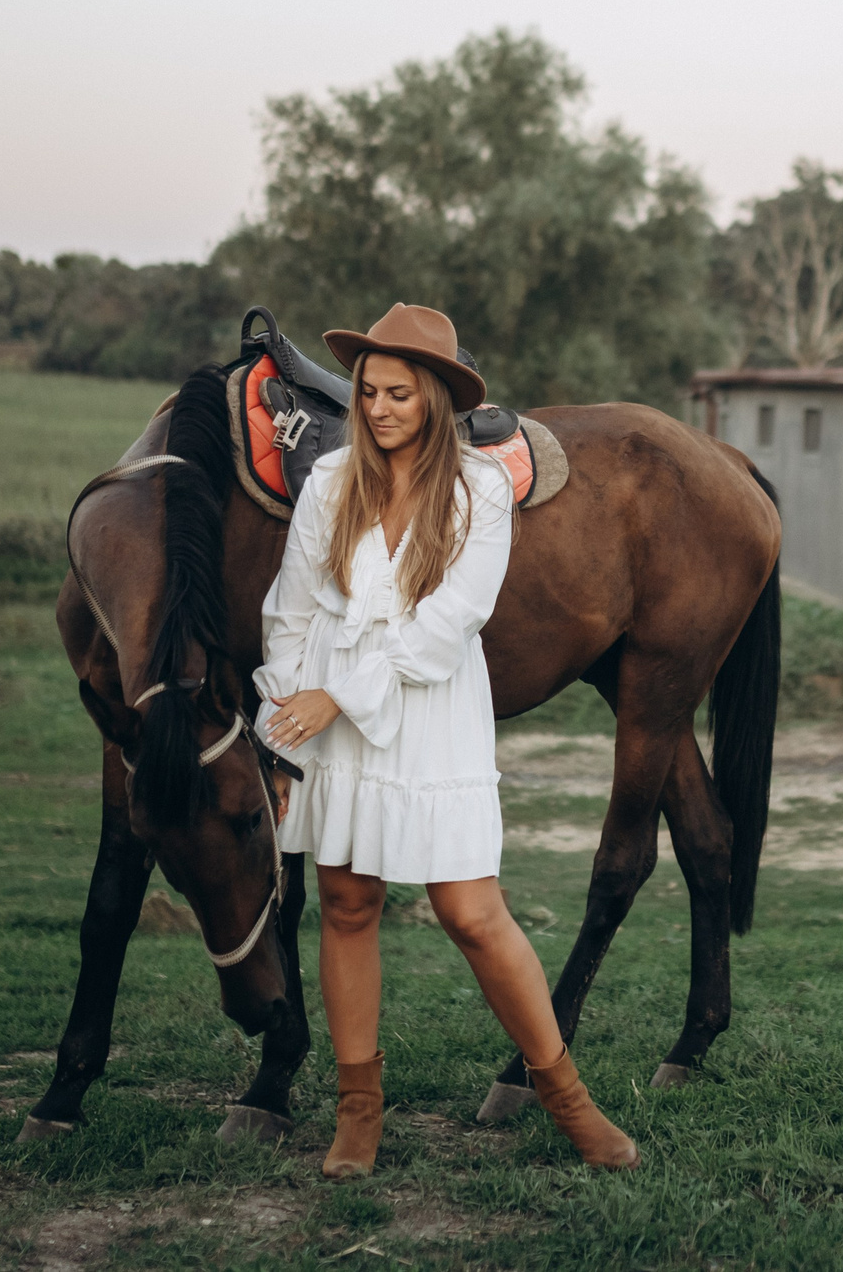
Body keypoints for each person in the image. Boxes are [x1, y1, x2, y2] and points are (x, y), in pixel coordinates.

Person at [254, 303, 638, 1177]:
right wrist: (284, 729)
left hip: (425, 710)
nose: (378, 407)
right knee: (348, 904)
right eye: (367, 391)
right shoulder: (330, 481)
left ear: (432, 398)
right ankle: (359, 1109)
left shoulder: (479, 490)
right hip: (324, 718)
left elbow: (450, 625)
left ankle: (568, 1098)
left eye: (397, 393)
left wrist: (334, 696)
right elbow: (292, 610)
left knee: (471, 910)